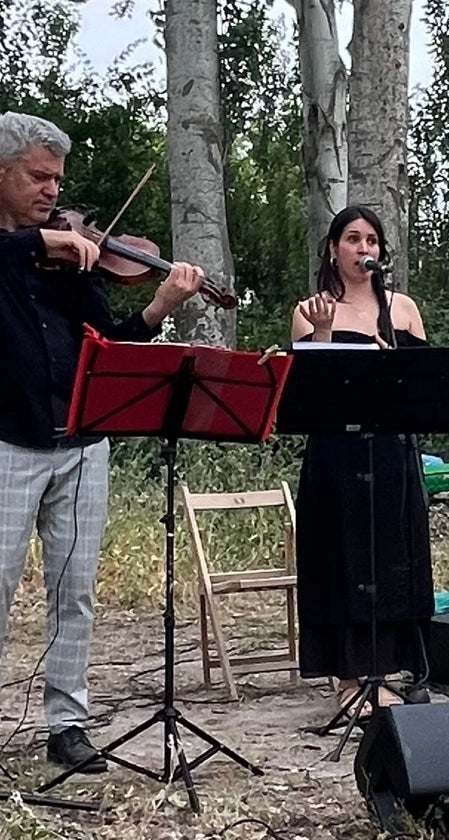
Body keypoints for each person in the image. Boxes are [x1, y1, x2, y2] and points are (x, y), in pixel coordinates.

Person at [0, 112, 206, 772]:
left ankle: (68, 722)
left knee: (76, 591)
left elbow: (113, 349)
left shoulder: (75, 256)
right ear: (0, 173)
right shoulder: (25, 251)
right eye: (38, 177)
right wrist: (40, 248)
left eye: (58, 181)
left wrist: (160, 307)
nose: (52, 193)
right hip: (9, 440)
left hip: (84, 442)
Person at [291, 205, 432, 717]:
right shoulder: (312, 310)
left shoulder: (403, 309)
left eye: (371, 240)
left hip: (392, 450)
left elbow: (425, 388)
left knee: (394, 555)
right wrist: (326, 339)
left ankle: (392, 667)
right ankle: (348, 677)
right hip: (337, 455)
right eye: (352, 239)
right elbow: (309, 396)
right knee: (343, 558)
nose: (363, 248)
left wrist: (394, 363)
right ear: (333, 249)